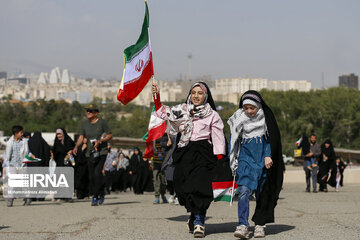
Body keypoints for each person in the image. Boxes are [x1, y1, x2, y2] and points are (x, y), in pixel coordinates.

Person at [152, 81, 226, 238]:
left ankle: (199, 221)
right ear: (190, 95)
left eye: (200, 93)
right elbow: (162, 112)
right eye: (193, 93)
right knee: (185, 188)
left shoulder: (212, 115)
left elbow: (218, 138)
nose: (196, 96)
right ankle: (194, 215)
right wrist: (156, 95)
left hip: (204, 154)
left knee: (201, 187)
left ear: (205, 96)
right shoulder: (182, 110)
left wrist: (220, 159)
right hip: (185, 152)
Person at [228, 90, 284, 238]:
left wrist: (268, 155)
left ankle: (259, 224)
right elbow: (234, 141)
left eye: (252, 108)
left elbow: (270, 140)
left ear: (258, 106)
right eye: (246, 108)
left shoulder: (265, 120)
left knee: (262, 194)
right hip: (245, 161)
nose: (249, 111)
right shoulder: (239, 118)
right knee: (244, 192)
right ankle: (242, 225)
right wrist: (233, 160)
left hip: (262, 162)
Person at [73, 104, 113, 206]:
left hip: (101, 152)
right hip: (89, 153)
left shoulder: (102, 123)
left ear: (96, 113)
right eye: (87, 111)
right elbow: (81, 137)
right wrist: (76, 146)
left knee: (97, 174)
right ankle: (101, 191)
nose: (88, 113)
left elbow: (110, 135)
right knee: (91, 176)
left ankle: (95, 196)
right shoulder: (85, 124)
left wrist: (100, 141)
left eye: (90, 111)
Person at [2, 125, 31, 207]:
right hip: (13, 165)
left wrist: (31, 155)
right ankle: (10, 200)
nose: (22, 134)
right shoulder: (10, 142)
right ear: (16, 133)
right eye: (21, 132)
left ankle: (28, 198)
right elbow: (7, 153)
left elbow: (28, 152)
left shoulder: (25, 141)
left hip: (22, 165)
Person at [161, 133, 178, 204]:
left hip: (178, 159)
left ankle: (177, 196)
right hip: (169, 161)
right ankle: (171, 194)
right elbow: (162, 143)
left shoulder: (181, 131)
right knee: (169, 179)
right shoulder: (167, 134)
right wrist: (167, 144)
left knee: (177, 179)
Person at [152, 134, 168, 204]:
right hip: (155, 163)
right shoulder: (153, 143)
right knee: (156, 180)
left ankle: (163, 194)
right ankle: (157, 196)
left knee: (163, 180)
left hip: (163, 163)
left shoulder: (164, 142)